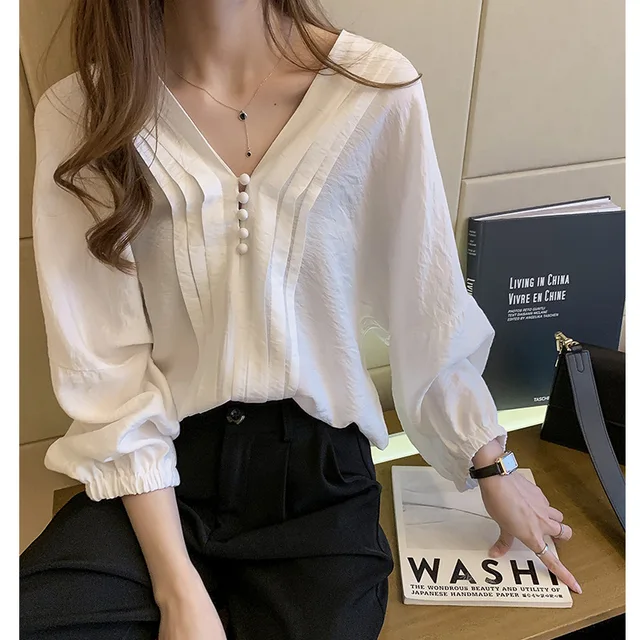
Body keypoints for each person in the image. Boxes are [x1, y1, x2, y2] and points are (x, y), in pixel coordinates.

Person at [19, 1, 581, 639]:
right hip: (155, 473)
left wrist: (489, 464)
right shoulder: (86, 111)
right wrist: (178, 588)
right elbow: (106, 368)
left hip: (315, 478)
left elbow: (427, 305)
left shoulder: (376, 90)